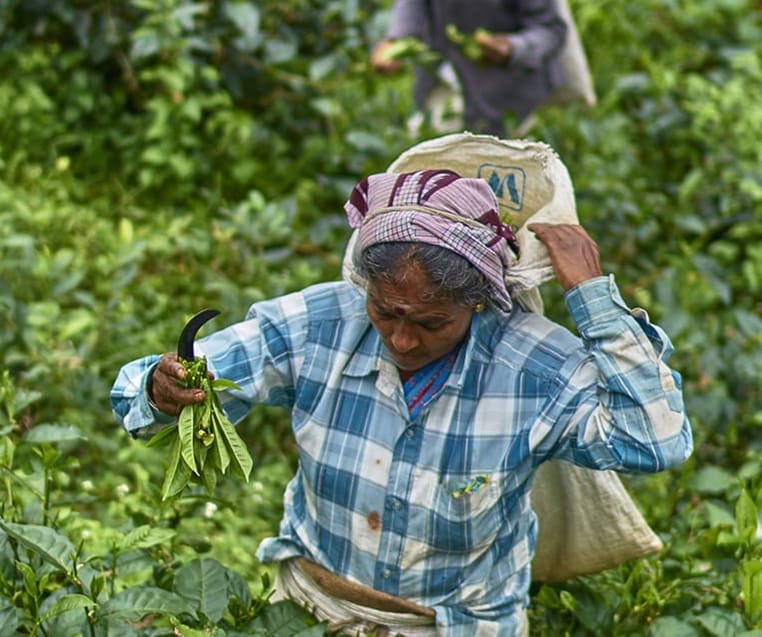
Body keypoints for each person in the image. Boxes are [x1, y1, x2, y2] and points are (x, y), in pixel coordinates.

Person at [110, 169, 693, 635]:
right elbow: (149, 389)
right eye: (385, 312)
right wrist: (164, 390)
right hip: (310, 611)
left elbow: (656, 438)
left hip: (454, 625)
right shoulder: (319, 324)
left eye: (433, 322)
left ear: (480, 304)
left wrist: (592, 300)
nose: (404, 339)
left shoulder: (532, 367)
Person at [370, 0, 567, 137]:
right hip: (443, 80)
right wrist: (398, 38)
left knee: (504, 176)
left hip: (507, 97)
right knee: (435, 170)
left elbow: (550, 30)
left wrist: (511, 48)